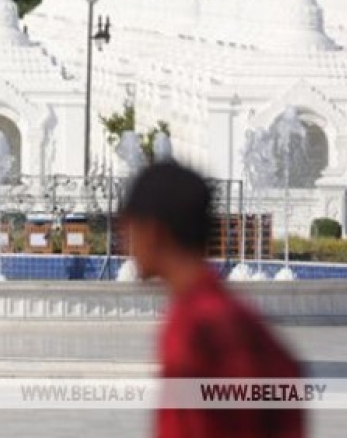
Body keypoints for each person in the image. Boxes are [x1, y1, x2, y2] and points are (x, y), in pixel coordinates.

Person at [121, 162, 305, 438]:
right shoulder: (242, 318)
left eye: (127, 230)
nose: (125, 245)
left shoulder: (193, 326)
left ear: (152, 232)